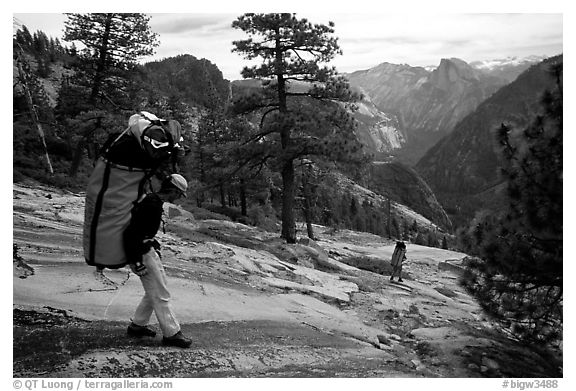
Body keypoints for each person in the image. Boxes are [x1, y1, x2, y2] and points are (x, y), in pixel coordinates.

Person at [124, 173, 192, 348]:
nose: (178, 198)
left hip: (147, 250)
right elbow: (131, 233)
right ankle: (172, 333)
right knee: (161, 294)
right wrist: (136, 261)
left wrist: (153, 243)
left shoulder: (153, 201)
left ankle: (137, 326)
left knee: (155, 289)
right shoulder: (151, 204)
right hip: (142, 254)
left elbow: (142, 231)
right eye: (179, 194)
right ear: (174, 191)